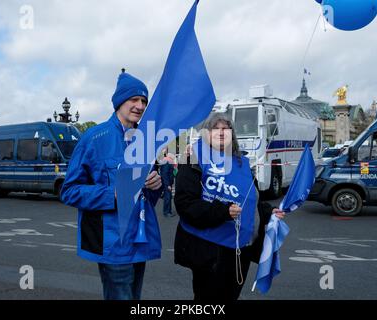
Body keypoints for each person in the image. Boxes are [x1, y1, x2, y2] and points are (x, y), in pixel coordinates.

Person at [61, 69, 163, 300]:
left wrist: (156, 185)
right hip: (112, 242)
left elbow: (148, 197)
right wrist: (114, 194)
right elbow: (69, 191)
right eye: (134, 99)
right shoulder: (94, 138)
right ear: (119, 102)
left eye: (144, 101)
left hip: (140, 239)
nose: (140, 105)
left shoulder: (146, 141)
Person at [173, 113, 285, 300]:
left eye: (226, 128)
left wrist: (267, 211)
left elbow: (252, 198)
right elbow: (185, 203)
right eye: (215, 128)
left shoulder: (241, 163)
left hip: (241, 248)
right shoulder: (192, 158)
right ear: (206, 134)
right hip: (210, 248)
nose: (221, 132)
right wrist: (223, 211)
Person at [160, 152, 176, 217]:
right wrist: (167, 185)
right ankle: (167, 212)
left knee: (168, 197)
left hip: (168, 182)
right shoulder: (167, 162)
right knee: (168, 197)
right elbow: (165, 174)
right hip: (167, 183)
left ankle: (168, 211)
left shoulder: (167, 161)